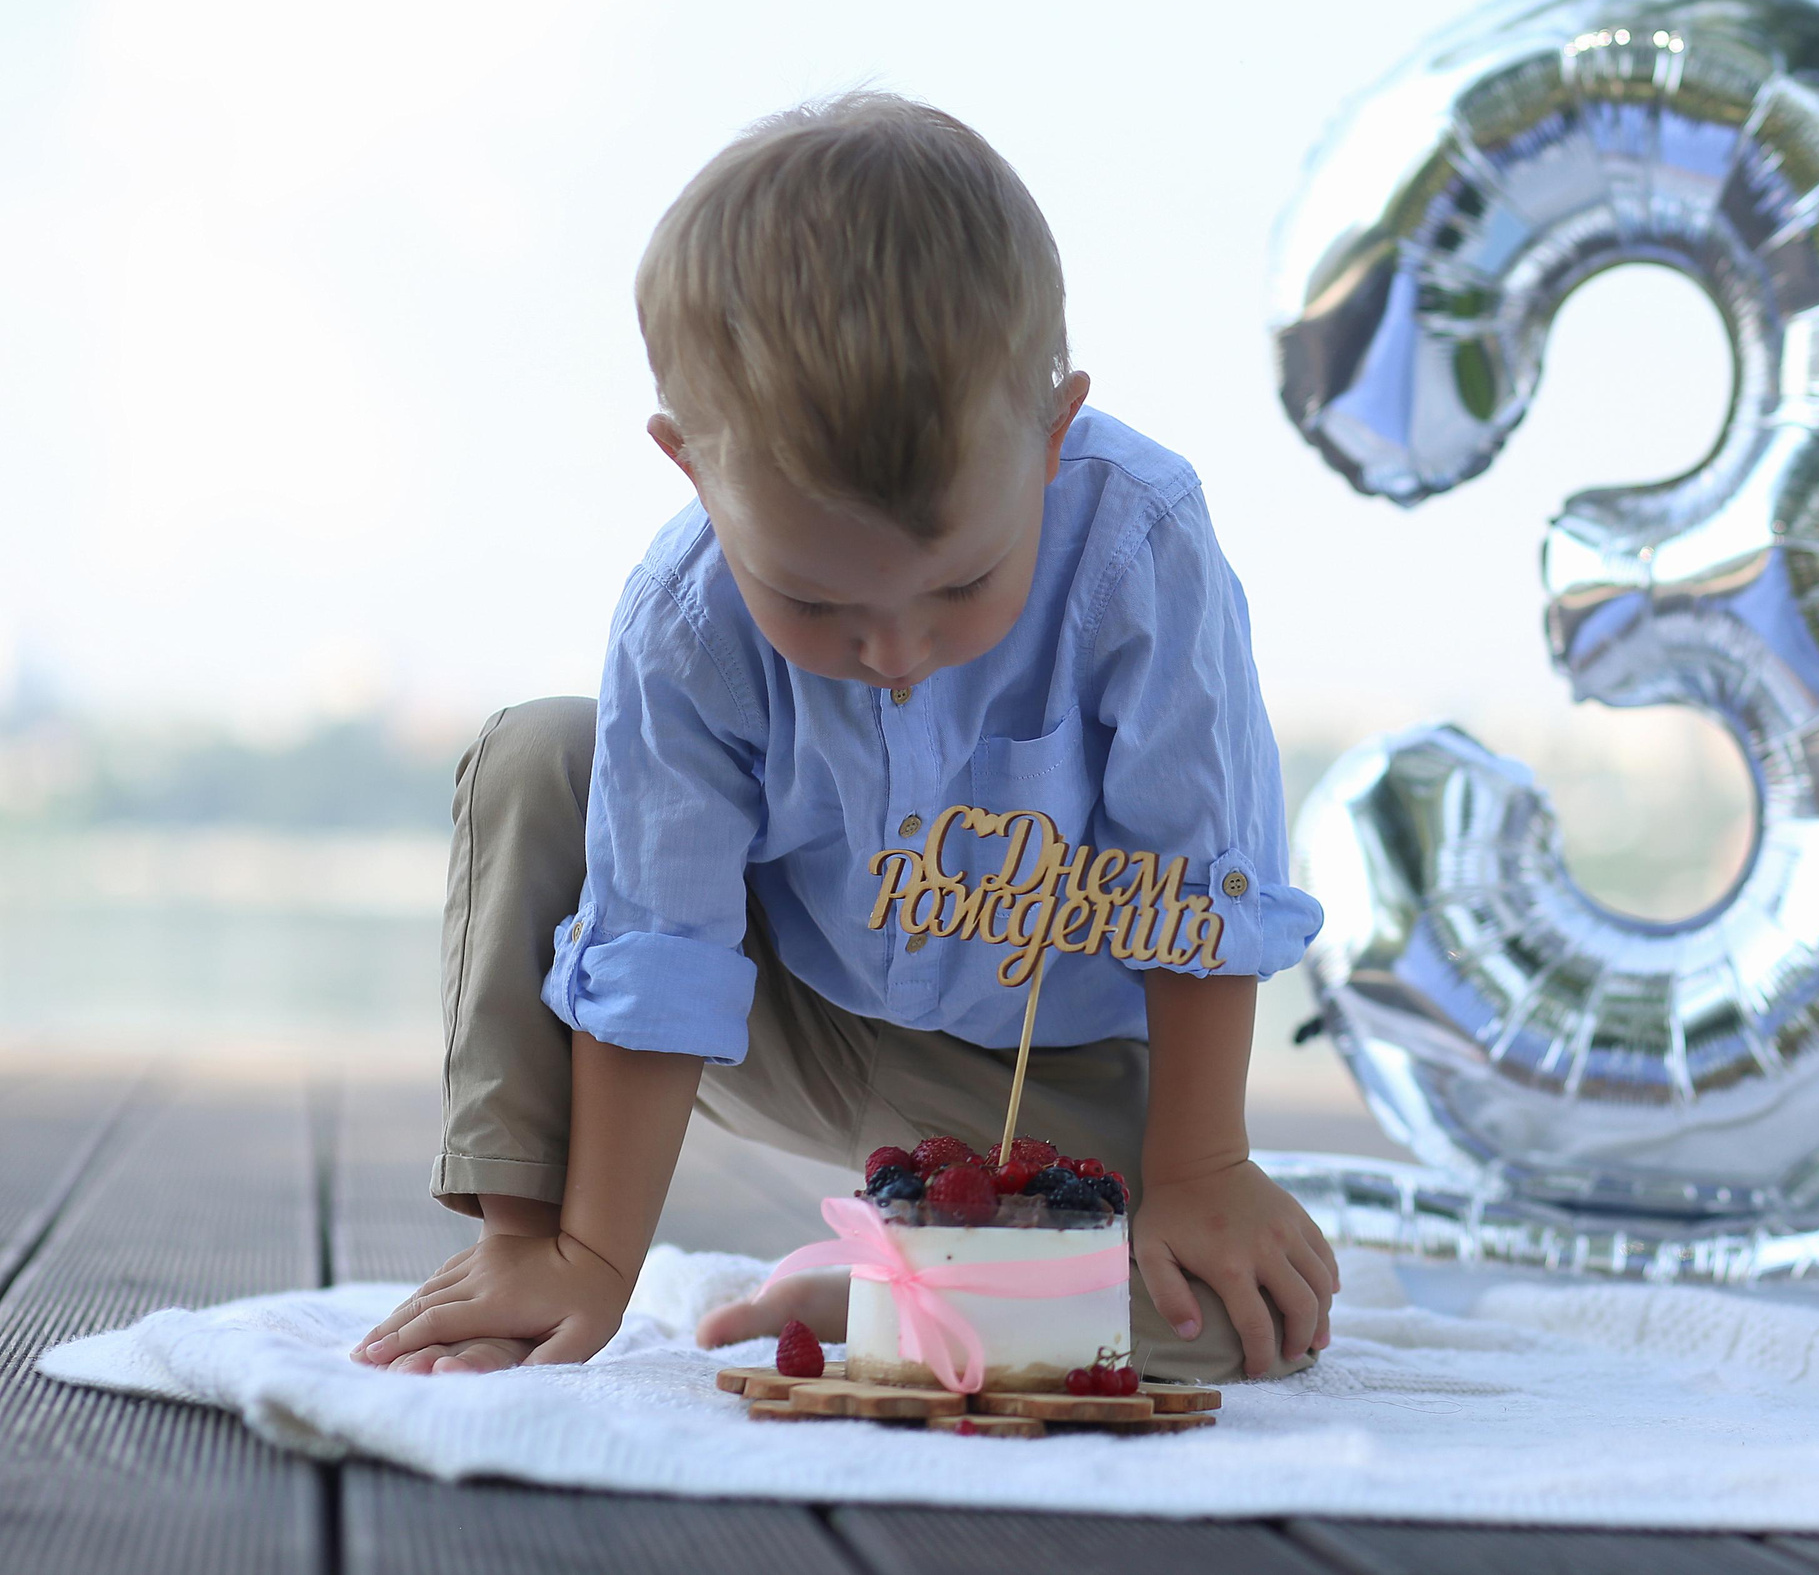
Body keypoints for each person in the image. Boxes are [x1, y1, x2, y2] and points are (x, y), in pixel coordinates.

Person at [352, 92, 1336, 1383]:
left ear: (1049, 437)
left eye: (960, 587)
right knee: (541, 760)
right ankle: (525, 1242)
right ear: (695, 471)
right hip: (788, 1008)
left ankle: (907, 1274)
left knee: (1202, 1331)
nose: (894, 652)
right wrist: (596, 1258)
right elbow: (658, 946)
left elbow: (1199, 883)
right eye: (815, 603)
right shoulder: (683, 619)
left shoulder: (1141, 547)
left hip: (1043, 1066)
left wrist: (1202, 1167)